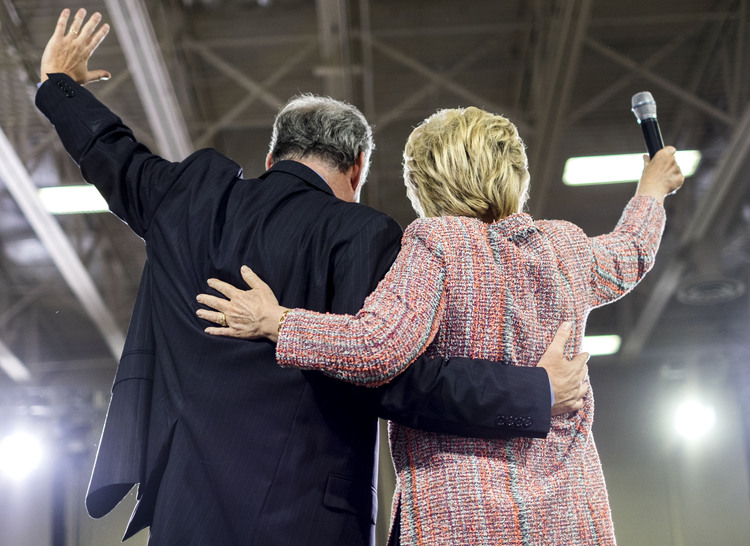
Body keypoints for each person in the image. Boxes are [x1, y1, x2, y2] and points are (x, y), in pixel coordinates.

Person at [36, 9, 589, 545]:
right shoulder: (364, 235)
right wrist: (534, 391)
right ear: (357, 169)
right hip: (309, 522)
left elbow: (112, 155)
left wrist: (58, 82)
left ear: (274, 157)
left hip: (187, 514)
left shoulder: (190, 198)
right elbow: (396, 373)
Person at [196, 107, 685, 544]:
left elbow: (377, 347)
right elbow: (631, 251)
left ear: (426, 182)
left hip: (463, 517)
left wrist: (276, 321)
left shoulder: (438, 243)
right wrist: (652, 189)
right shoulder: (566, 248)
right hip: (574, 516)